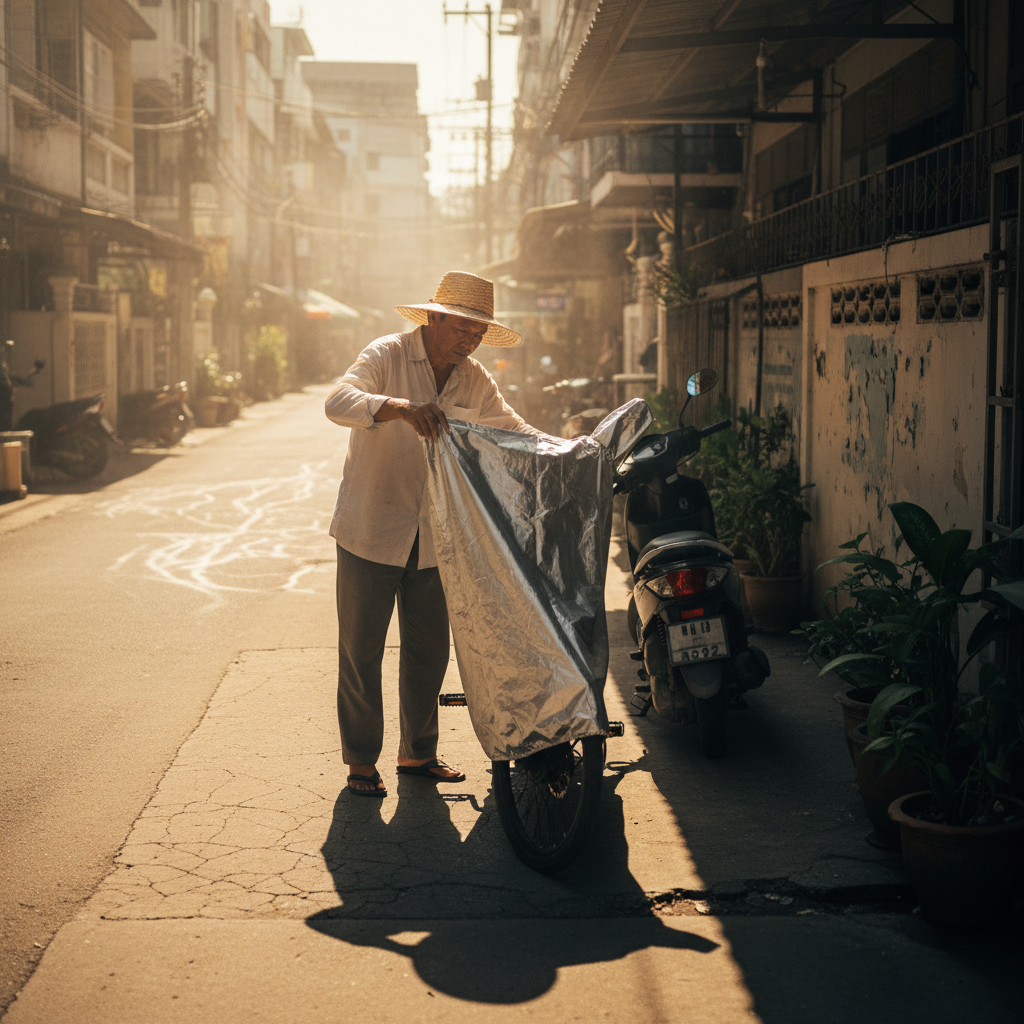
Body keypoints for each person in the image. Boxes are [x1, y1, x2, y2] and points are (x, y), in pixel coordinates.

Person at [325, 271, 539, 796]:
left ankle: (417, 754)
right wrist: (396, 407)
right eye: (465, 326)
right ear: (435, 317)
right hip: (371, 528)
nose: (472, 339)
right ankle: (360, 762)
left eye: (480, 331)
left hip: (436, 536)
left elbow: (512, 430)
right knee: (361, 650)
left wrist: (572, 451)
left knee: (428, 650)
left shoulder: (473, 379)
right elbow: (338, 401)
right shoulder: (387, 354)